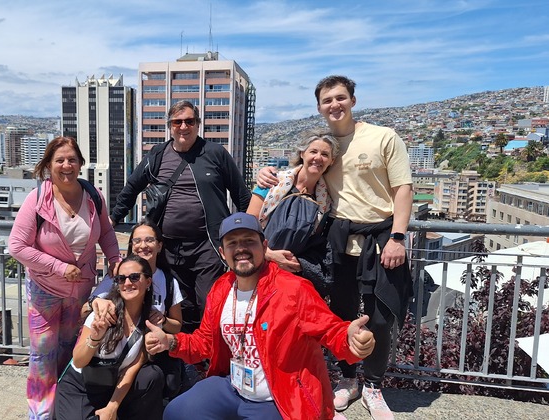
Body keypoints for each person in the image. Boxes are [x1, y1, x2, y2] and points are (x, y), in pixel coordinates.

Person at [257, 75, 413, 419]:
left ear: (353, 100)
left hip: (381, 239)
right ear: (319, 107)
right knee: (340, 315)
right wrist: (264, 174)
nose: (335, 105)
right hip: (339, 241)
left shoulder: (383, 137)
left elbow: (403, 188)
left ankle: (374, 387)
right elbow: (296, 175)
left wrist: (398, 237)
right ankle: (348, 379)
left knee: (381, 319)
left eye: (340, 98)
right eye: (327, 100)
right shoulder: (326, 147)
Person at [144, 213, 376, 420]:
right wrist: (170, 342)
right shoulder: (221, 288)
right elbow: (205, 342)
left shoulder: (293, 289)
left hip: (278, 395)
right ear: (223, 253)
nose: (241, 249)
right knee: (177, 412)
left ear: (264, 247)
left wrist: (352, 340)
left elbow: (331, 330)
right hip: (234, 387)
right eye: (232, 243)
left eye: (249, 241)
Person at [111, 100, 251, 332]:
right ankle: (184, 351)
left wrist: (250, 233)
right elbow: (131, 188)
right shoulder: (157, 155)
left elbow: (241, 195)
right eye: (177, 122)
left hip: (207, 245)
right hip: (168, 247)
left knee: (208, 302)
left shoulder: (215, 153)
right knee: (178, 305)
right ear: (170, 126)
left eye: (189, 121)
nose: (183, 126)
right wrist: (113, 220)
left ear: (198, 124)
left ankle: (209, 349)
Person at [8, 136, 122, 420]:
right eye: (59, 160)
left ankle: (63, 408)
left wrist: (115, 260)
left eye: (72, 159)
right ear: (49, 165)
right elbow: (17, 246)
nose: (66, 165)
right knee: (42, 356)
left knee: (70, 352)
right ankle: (40, 415)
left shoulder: (93, 196)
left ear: (80, 163)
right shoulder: (37, 199)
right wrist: (58, 267)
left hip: (80, 291)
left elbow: (107, 233)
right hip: (44, 290)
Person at [82, 220, 187, 397]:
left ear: (159, 246)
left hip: (151, 353)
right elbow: (85, 309)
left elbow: (177, 326)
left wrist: (163, 320)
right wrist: (96, 303)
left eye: (149, 240)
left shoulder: (169, 281)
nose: (143, 245)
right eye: (137, 241)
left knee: (163, 380)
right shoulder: (119, 275)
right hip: (117, 352)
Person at [54, 254, 163, 420]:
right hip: (81, 386)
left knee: (151, 375)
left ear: (148, 282)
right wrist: (95, 338)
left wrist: (112, 407)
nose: (127, 283)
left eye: (134, 277)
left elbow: (132, 367)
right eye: (121, 279)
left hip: (111, 387)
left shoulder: (151, 321)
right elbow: (78, 361)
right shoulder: (103, 313)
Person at [246, 129, 339, 296]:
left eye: (325, 154)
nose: (318, 158)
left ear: (331, 161)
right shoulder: (272, 182)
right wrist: (269, 254)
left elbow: (311, 240)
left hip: (290, 276)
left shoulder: (324, 202)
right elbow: (247, 226)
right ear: (302, 153)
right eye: (313, 151)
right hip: (258, 266)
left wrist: (296, 263)